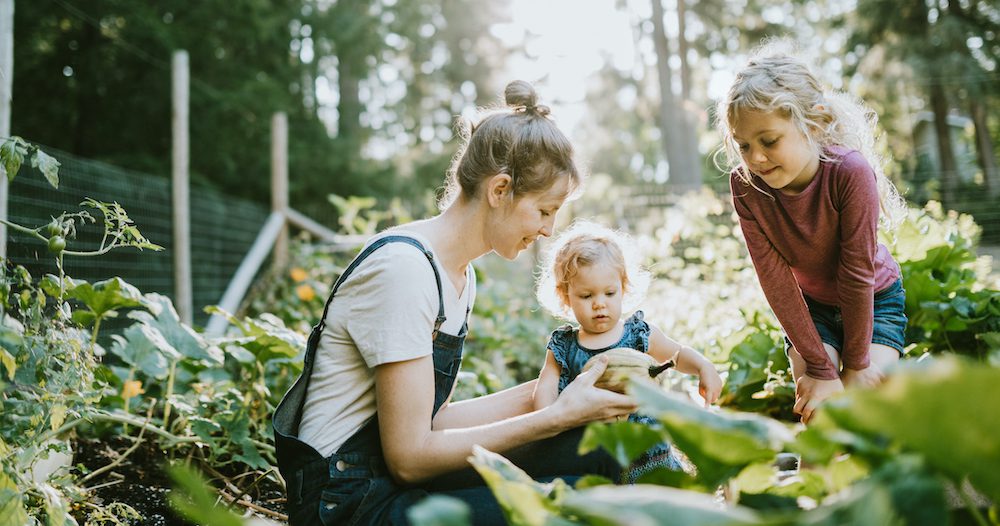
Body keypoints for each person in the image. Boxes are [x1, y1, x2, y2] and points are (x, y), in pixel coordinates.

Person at [272, 80, 638, 526]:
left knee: (604, 448)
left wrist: (571, 381)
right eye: (544, 210)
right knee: (578, 505)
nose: (548, 230)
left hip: (390, 480)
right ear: (499, 190)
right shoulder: (405, 271)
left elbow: (435, 422)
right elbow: (409, 456)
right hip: (347, 505)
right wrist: (556, 417)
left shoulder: (457, 274)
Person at [716, 40, 909, 424]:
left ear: (815, 124)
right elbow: (776, 282)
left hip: (875, 300)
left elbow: (856, 274)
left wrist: (855, 364)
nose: (755, 157)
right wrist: (820, 370)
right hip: (811, 310)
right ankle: (813, 486)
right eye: (743, 145)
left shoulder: (849, 173)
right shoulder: (747, 187)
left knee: (860, 410)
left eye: (769, 141)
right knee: (820, 413)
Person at [533, 220, 724, 483]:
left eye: (610, 293)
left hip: (651, 456)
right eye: (586, 296)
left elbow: (677, 354)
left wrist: (703, 367)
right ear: (566, 296)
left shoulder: (637, 335)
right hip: (599, 459)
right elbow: (545, 388)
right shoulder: (564, 346)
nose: (600, 304)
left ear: (624, 287)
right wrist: (549, 420)